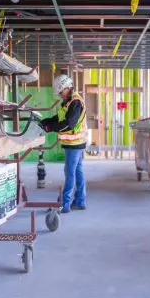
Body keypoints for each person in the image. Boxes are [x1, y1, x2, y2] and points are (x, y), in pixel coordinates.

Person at [38, 74, 87, 213]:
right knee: (77, 172)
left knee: (69, 173)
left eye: (61, 92)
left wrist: (50, 127)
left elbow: (69, 124)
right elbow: (60, 118)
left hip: (74, 144)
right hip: (74, 143)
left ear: (67, 87)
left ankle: (64, 205)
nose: (60, 95)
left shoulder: (75, 102)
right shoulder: (68, 102)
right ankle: (80, 201)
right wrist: (47, 121)